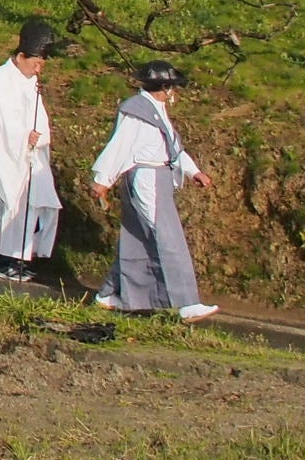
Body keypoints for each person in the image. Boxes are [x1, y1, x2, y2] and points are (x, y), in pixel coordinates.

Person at [92, 61, 216, 320]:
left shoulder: (155, 110)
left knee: (138, 239)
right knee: (168, 239)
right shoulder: (137, 111)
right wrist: (104, 178)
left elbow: (173, 150)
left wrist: (195, 172)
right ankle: (186, 302)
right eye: (173, 88)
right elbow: (121, 147)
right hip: (146, 179)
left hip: (158, 176)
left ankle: (110, 293)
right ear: (166, 88)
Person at [0, 18, 65, 282]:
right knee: (9, 203)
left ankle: (22, 256)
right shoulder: (0, 79)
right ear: (20, 56)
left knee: (31, 206)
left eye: (41, 65)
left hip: (30, 155)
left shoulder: (30, 83)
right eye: (35, 64)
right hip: (7, 153)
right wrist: (22, 137)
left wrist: (38, 138)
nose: (38, 70)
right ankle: (5, 258)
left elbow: (40, 119)